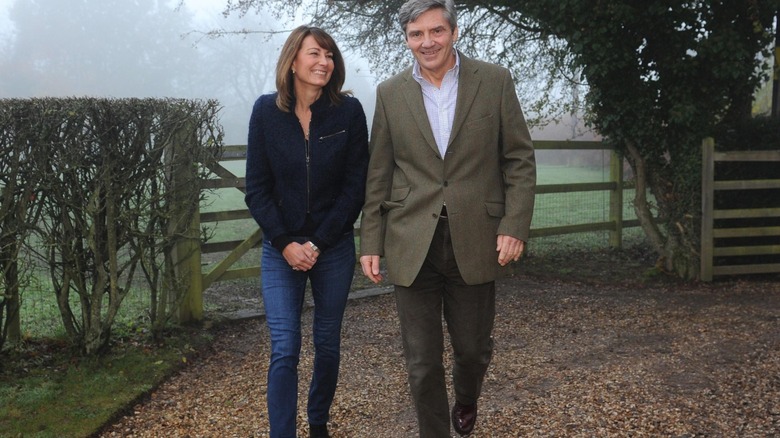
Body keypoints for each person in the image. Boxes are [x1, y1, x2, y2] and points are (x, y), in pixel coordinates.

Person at [359, 0, 536, 436]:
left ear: (454, 32)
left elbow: (518, 159)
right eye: (416, 34)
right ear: (406, 39)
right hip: (410, 240)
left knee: (473, 351)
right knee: (421, 361)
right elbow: (378, 173)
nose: (427, 42)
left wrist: (513, 225)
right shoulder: (389, 92)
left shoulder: (493, 81)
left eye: (436, 31)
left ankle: (467, 397)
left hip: (477, 238)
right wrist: (370, 241)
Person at [245, 25, 369, 438]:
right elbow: (257, 189)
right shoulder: (265, 112)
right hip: (280, 251)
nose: (324, 62)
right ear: (292, 61)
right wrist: (285, 243)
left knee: (327, 343)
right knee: (284, 348)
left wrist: (316, 242)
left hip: (331, 249)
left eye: (329, 55)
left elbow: (355, 188)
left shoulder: (348, 113)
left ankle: (318, 423)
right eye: (315, 53)